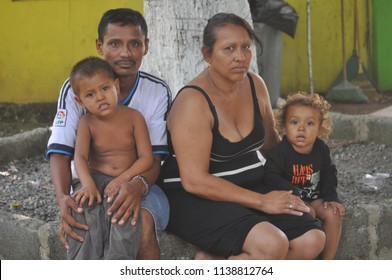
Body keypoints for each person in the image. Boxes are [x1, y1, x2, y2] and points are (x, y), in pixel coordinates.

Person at [159, 13, 325, 260]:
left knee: (313, 239)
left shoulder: (255, 84)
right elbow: (194, 181)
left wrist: (306, 185)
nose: (240, 56)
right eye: (229, 49)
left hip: (247, 184)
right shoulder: (193, 102)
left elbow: (271, 147)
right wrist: (262, 201)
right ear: (207, 55)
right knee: (272, 244)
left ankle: (216, 263)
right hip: (194, 198)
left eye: (246, 47)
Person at [46, 8, 171, 259]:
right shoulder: (75, 88)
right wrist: (62, 199)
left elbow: (153, 159)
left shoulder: (157, 91)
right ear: (100, 45)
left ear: (145, 46)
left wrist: (136, 186)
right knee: (82, 228)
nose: (125, 53)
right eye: (115, 43)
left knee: (139, 221)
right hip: (89, 183)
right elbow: (61, 152)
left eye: (134, 43)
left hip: (141, 182)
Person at [65, 56, 153, 259]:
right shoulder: (87, 122)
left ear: (116, 86)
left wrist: (123, 179)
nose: (100, 97)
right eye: (90, 94)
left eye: (105, 88)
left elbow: (146, 158)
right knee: (82, 210)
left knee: (123, 215)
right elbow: (79, 157)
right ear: (80, 101)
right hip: (94, 178)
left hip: (126, 180)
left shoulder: (134, 118)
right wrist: (87, 184)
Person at [263, 92, 345, 259]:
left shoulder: (320, 149)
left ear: (320, 129)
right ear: (284, 127)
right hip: (293, 200)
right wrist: (291, 191)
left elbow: (329, 172)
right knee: (309, 214)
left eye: (309, 123)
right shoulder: (280, 152)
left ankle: (327, 263)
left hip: (315, 198)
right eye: (294, 122)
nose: (301, 128)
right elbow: (269, 176)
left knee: (333, 213)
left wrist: (331, 197)